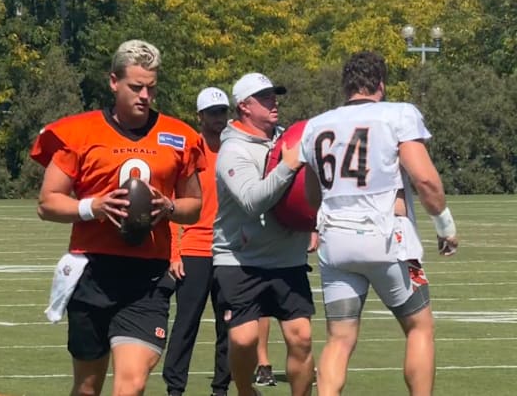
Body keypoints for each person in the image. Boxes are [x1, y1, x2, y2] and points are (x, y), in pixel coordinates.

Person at [31, 39, 205, 396]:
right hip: (93, 271)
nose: (144, 96)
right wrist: (92, 207)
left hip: (148, 277)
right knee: (87, 387)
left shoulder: (180, 136)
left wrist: (167, 208)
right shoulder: (79, 132)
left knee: (132, 383)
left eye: (151, 88)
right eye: (136, 87)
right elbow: (47, 203)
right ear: (114, 82)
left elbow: (194, 206)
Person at [299, 51, 459, 396]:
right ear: (381, 85)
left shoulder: (316, 126)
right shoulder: (398, 114)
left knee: (339, 339)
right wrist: (445, 225)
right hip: (388, 239)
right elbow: (426, 180)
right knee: (419, 328)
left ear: (345, 86)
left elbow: (313, 197)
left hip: (335, 241)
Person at [213, 72, 316, 396]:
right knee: (243, 339)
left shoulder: (288, 139)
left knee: (301, 336)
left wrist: (312, 222)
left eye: (275, 95)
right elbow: (251, 201)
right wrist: (287, 166)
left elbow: (313, 187)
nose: (275, 102)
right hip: (240, 259)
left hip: (287, 258)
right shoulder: (232, 151)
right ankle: (245, 390)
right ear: (244, 106)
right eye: (266, 97)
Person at [162, 87, 232, 396]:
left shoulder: (235, 148)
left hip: (230, 250)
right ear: (200, 116)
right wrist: (174, 252)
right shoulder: (188, 150)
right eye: (213, 112)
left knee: (229, 325)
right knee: (186, 323)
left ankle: (221, 389)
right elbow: (169, 204)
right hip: (194, 248)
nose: (220, 118)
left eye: (223, 111)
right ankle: (175, 389)